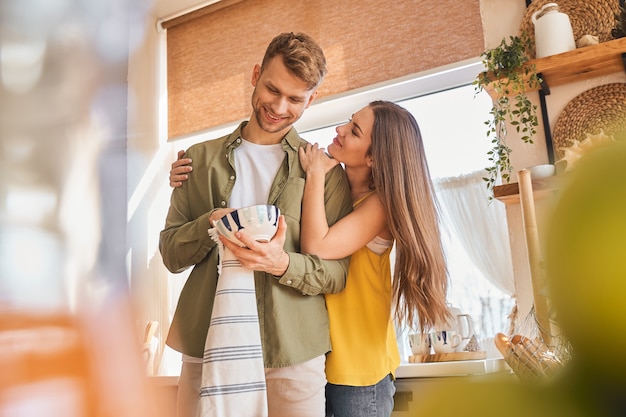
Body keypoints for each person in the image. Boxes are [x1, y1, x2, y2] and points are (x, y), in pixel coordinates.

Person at [171, 100, 451, 417]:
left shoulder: (379, 206)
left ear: (373, 157)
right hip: (323, 356)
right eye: (349, 121)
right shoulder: (342, 190)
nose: (340, 130)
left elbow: (316, 248)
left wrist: (316, 173)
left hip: (359, 367)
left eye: (354, 131)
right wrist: (186, 172)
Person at [160, 32, 353, 417]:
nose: (279, 107)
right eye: (272, 89)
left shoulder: (324, 173)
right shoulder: (197, 161)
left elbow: (337, 275)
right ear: (254, 75)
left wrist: (280, 263)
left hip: (293, 351)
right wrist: (209, 224)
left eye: (295, 99)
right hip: (207, 346)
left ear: (311, 99)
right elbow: (170, 254)